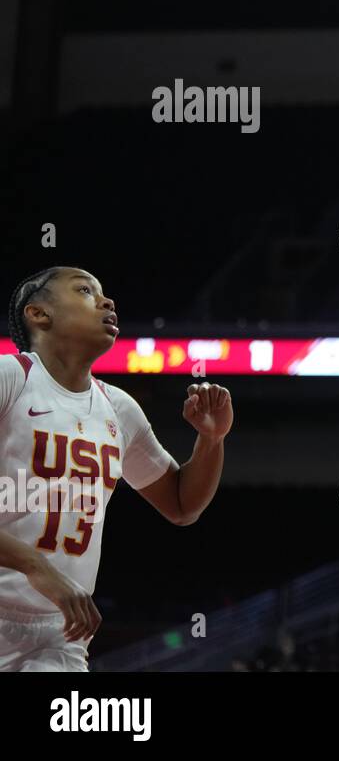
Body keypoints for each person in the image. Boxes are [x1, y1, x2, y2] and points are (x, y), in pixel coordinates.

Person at [0, 267, 233, 671]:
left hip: (60, 632)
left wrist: (211, 441)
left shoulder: (118, 408)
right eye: (85, 291)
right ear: (38, 314)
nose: (107, 302)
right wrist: (37, 566)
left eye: (104, 294)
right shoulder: (11, 377)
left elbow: (182, 505)